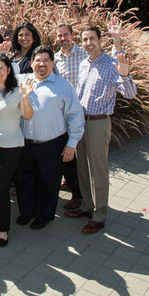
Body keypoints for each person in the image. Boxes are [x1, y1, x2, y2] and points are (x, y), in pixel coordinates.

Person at [64, 25, 136, 235]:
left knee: (98, 170)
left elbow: (130, 94)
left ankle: (100, 214)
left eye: (92, 39)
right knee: (82, 169)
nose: (88, 43)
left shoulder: (111, 64)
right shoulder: (84, 63)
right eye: (85, 39)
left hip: (98, 123)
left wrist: (125, 75)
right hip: (80, 123)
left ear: (100, 40)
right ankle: (87, 206)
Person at [16, 46, 84, 230]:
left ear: (53, 64)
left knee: (49, 183)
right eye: (38, 60)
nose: (42, 64)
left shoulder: (63, 86)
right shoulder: (22, 82)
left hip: (52, 145)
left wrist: (72, 144)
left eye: (46, 60)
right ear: (31, 63)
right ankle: (26, 212)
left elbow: (76, 116)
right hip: (25, 144)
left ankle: (44, 216)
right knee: (25, 181)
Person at [0, 54, 34, 247]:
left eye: (2, 68)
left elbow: (27, 115)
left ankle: (3, 229)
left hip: (10, 147)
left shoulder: (17, 91)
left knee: (1, 187)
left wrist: (25, 97)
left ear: (9, 70)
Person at [53, 22, 87, 211]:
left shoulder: (84, 55)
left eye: (66, 35)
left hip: (80, 113)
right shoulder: (55, 58)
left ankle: (79, 195)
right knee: (66, 154)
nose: (63, 39)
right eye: (59, 36)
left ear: (73, 35)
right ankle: (70, 182)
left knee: (77, 156)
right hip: (62, 113)